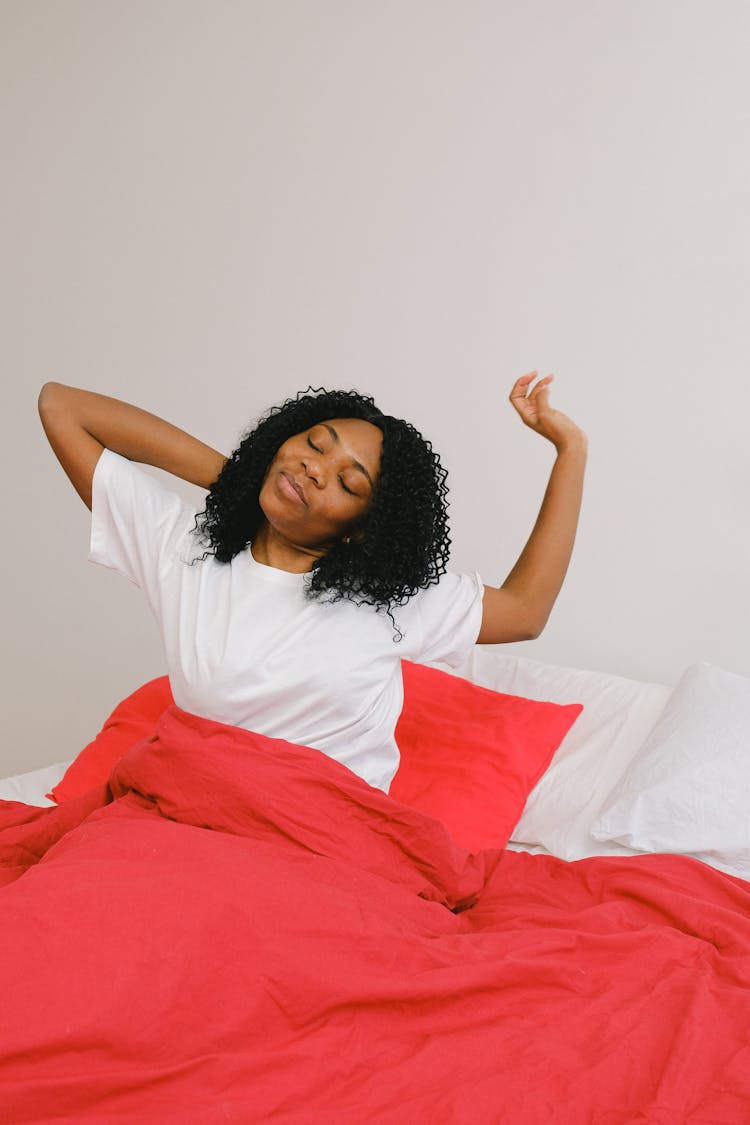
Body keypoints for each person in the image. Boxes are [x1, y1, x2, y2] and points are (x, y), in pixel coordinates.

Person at [37, 373, 587, 792]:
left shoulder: (389, 602)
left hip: (326, 836)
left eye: (348, 482)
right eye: (315, 444)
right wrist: (241, 480)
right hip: (195, 811)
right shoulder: (184, 549)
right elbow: (62, 405)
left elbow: (525, 610)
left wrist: (570, 450)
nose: (314, 469)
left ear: (358, 531)